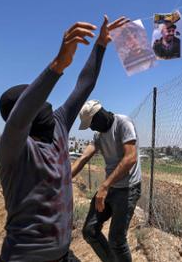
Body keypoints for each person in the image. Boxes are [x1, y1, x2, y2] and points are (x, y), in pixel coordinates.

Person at [0, 15, 129, 262]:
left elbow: (83, 86)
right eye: (36, 100)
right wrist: (57, 65)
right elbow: (19, 117)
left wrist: (100, 46)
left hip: (63, 255)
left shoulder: (57, 126)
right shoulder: (13, 147)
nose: (46, 103)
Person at [71, 100, 142, 262]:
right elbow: (83, 158)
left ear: (99, 115)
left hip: (128, 189)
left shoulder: (123, 123)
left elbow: (130, 158)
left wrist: (104, 186)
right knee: (90, 231)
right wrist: (64, 180)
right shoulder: (99, 135)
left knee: (117, 240)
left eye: (91, 124)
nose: (91, 128)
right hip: (111, 188)